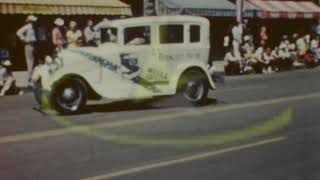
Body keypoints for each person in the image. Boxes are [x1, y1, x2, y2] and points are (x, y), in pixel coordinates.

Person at [16, 15, 38, 83]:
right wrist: (24, 39)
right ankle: (29, 77)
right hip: (28, 45)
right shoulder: (27, 27)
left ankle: (32, 76)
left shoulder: (32, 27)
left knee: (32, 60)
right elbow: (18, 32)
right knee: (30, 61)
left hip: (33, 44)